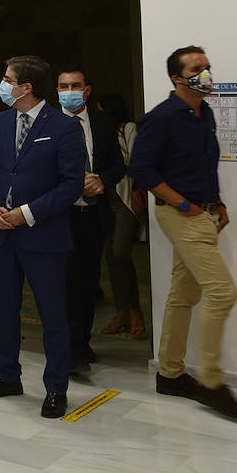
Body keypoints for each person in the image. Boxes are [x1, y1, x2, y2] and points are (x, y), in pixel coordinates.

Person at [132, 45, 237, 421]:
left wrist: (218, 203)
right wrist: (185, 205)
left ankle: (169, 373)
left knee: (184, 293)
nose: (206, 73)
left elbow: (205, 164)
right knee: (222, 292)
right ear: (176, 78)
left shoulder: (205, 114)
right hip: (180, 214)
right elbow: (141, 169)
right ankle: (213, 384)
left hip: (204, 211)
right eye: (197, 68)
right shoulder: (162, 117)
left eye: (208, 67)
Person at [0, 55, 85, 419]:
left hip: (44, 236)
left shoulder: (65, 127)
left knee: (53, 315)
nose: (3, 84)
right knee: (4, 310)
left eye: (8, 79)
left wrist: (27, 213)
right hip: (2, 234)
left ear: (26, 87)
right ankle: (8, 376)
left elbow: (70, 186)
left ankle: (56, 388)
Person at [55, 67, 126, 374]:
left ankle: (80, 344)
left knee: (86, 284)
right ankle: (64, 347)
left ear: (87, 90)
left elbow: (116, 165)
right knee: (61, 284)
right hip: (57, 217)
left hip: (91, 216)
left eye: (75, 86)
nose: (69, 90)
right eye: (63, 86)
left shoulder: (103, 124)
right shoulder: (46, 123)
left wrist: (102, 180)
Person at [97, 92, 147, 339]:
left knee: (120, 252)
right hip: (105, 201)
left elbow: (137, 162)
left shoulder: (128, 129)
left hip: (126, 199)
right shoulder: (99, 132)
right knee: (110, 257)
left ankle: (135, 311)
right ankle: (122, 312)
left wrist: (115, 163)